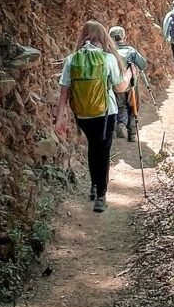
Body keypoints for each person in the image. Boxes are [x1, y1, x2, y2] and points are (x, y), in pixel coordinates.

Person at [55, 21, 132, 213]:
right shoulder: (108, 59)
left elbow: (65, 90)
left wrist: (60, 118)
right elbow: (119, 87)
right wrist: (129, 76)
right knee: (103, 151)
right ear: (103, 36)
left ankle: (94, 186)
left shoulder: (72, 59)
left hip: (83, 114)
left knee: (93, 147)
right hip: (105, 113)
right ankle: (100, 195)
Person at [109, 25, 147, 142]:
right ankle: (132, 133)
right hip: (131, 85)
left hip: (115, 86)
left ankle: (120, 124)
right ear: (124, 37)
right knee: (133, 107)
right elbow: (143, 65)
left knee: (121, 106)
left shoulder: (108, 52)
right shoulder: (130, 51)